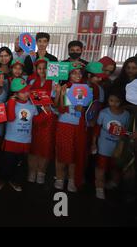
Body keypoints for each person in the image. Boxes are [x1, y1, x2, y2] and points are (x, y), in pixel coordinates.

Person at [0, 78, 37, 192]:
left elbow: (38, 120)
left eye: (27, 90)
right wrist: (12, 102)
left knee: (19, 164)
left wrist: (47, 109)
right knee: (6, 163)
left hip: (25, 140)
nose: (26, 93)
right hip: (11, 140)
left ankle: (15, 181)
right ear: (15, 93)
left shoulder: (32, 104)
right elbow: (10, 118)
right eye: (23, 91)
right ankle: (2, 179)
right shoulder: (9, 103)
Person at [53, 62, 87, 192]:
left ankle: (72, 179)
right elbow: (59, 108)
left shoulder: (85, 88)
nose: (77, 75)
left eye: (79, 73)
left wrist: (79, 103)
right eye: (74, 72)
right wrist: (60, 94)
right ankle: (60, 178)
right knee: (61, 152)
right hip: (64, 124)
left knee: (75, 153)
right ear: (69, 74)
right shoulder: (64, 87)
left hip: (77, 126)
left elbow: (81, 111)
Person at [92, 92, 130, 199]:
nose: (113, 104)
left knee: (115, 167)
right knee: (101, 167)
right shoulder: (103, 113)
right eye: (111, 101)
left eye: (116, 101)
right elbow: (97, 128)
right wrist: (93, 143)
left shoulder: (126, 115)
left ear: (121, 101)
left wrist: (124, 140)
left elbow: (127, 132)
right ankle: (99, 188)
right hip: (103, 146)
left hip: (117, 147)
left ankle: (113, 183)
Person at [28, 58, 56, 184]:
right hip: (34, 116)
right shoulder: (32, 81)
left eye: (45, 68)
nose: (42, 70)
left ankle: (41, 172)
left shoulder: (54, 82)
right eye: (39, 68)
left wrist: (51, 106)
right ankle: (32, 171)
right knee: (33, 145)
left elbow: (56, 101)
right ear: (36, 69)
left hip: (48, 117)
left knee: (45, 145)